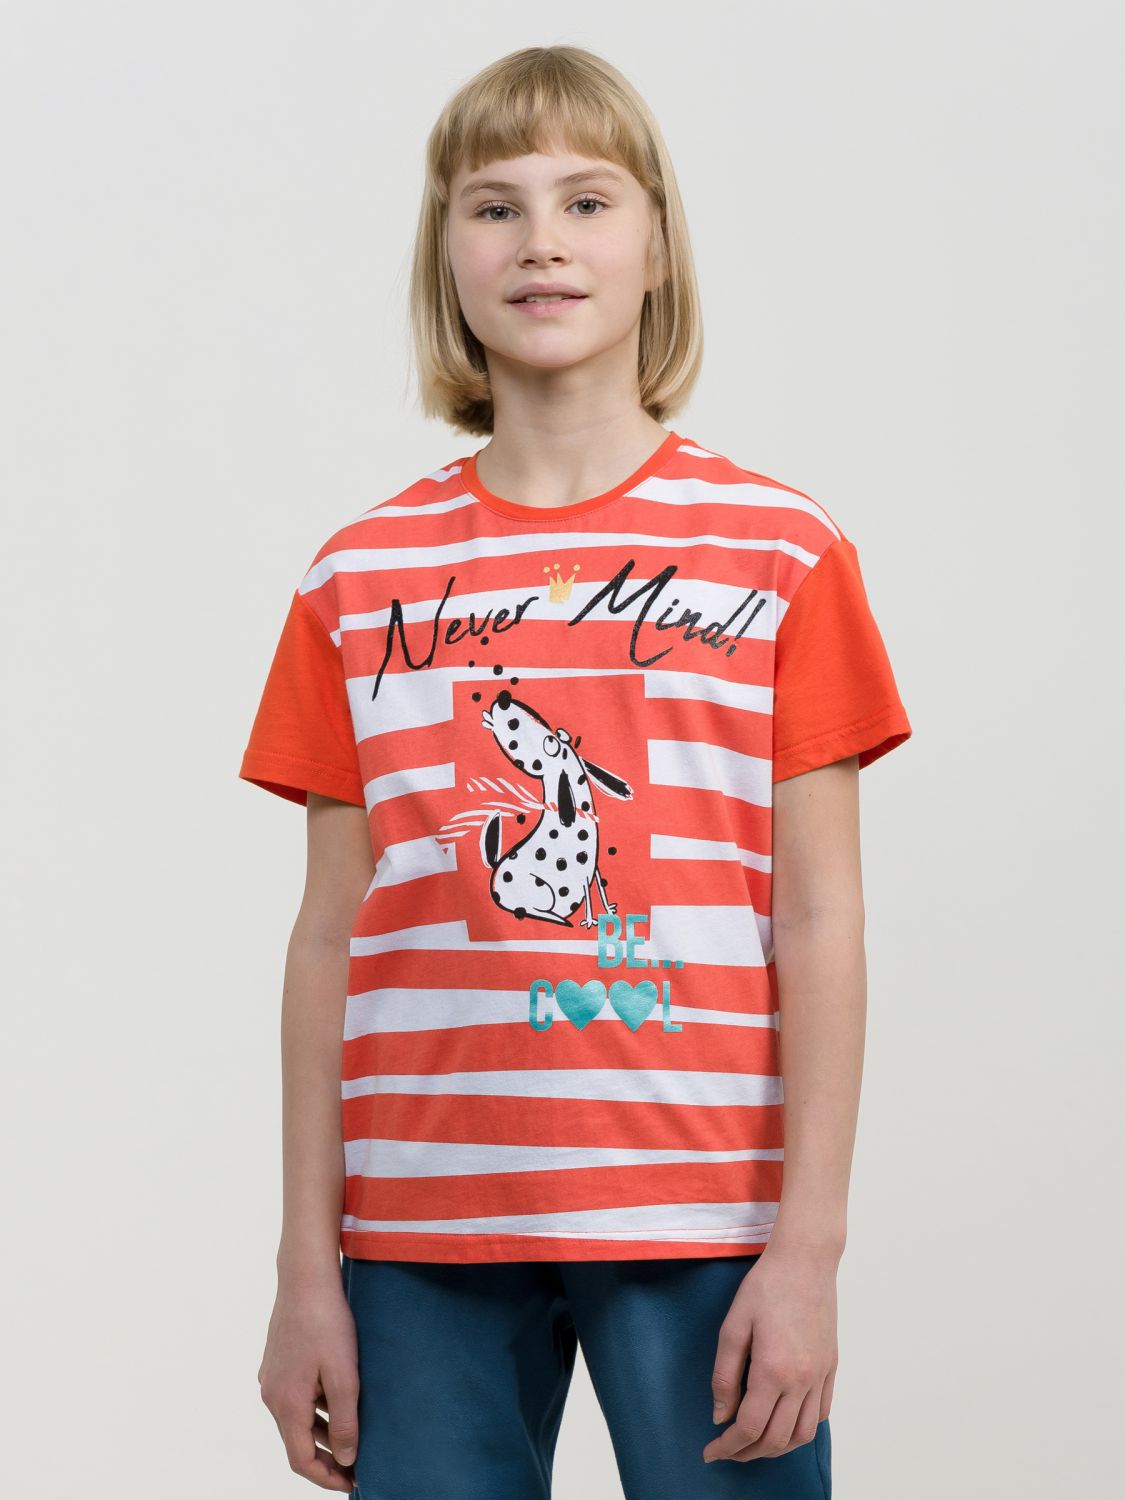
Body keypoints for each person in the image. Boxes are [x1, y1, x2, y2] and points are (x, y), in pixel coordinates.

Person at [238, 44, 911, 1500]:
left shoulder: (782, 554)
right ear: (447, 256)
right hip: (420, 1231)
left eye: (587, 201)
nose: (541, 241)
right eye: (495, 207)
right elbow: (327, 938)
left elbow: (819, 918)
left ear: (657, 245)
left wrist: (808, 1250)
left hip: (707, 1217)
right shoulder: (355, 580)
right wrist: (306, 1268)